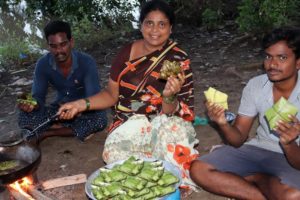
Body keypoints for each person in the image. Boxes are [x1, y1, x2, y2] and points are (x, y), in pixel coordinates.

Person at [58, 0, 199, 192]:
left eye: (162, 24)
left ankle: (162, 182)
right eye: (149, 23)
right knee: (115, 156)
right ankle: (149, 182)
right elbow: (110, 94)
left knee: (175, 153)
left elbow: (174, 111)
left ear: (171, 28)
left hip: (165, 119)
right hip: (128, 119)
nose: (155, 30)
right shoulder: (127, 52)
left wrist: (169, 96)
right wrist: (81, 104)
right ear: (141, 26)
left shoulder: (178, 59)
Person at [190, 26, 300, 200]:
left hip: (291, 158)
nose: (272, 64)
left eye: (282, 57)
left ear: (298, 62)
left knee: (293, 196)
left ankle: (256, 177)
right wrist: (223, 123)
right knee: (198, 169)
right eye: (268, 57)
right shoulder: (256, 85)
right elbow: (238, 138)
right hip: (257, 148)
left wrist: (288, 143)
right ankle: (260, 189)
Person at [18, 20, 107, 144]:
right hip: (59, 110)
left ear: (71, 42)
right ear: (48, 46)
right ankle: (67, 128)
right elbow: (38, 97)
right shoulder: (43, 64)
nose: (59, 50)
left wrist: (77, 109)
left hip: (83, 110)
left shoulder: (87, 62)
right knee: (24, 115)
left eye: (63, 44)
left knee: (100, 120)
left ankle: (48, 132)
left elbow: (92, 97)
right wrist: (31, 104)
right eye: (53, 46)